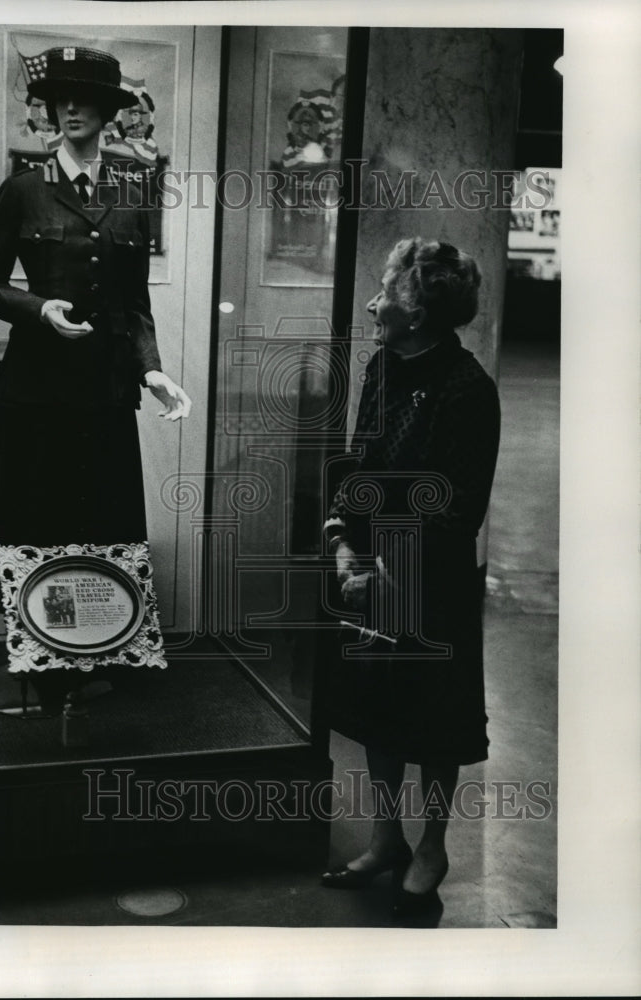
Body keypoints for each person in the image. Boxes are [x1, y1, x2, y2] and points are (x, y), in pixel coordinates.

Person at [0, 46, 190, 709]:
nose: (70, 108)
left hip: (105, 393)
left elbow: (135, 306)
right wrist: (38, 308)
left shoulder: (132, 193)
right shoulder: (22, 190)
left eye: (84, 97)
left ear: (108, 110)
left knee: (99, 522)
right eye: (60, 98)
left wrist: (154, 371)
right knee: (12, 521)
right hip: (37, 390)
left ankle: (86, 660)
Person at [320, 237, 500, 916]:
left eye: (388, 293)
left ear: (419, 313)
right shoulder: (381, 367)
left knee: (435, 723)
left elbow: (459, 507)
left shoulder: (467, 389)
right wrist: (343, 545)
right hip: (369, 570)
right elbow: (358, 463)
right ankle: (387, 838)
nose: (373, 302)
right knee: (378, 714)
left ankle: (432, 845)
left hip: (432, 582)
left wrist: (387, 570)